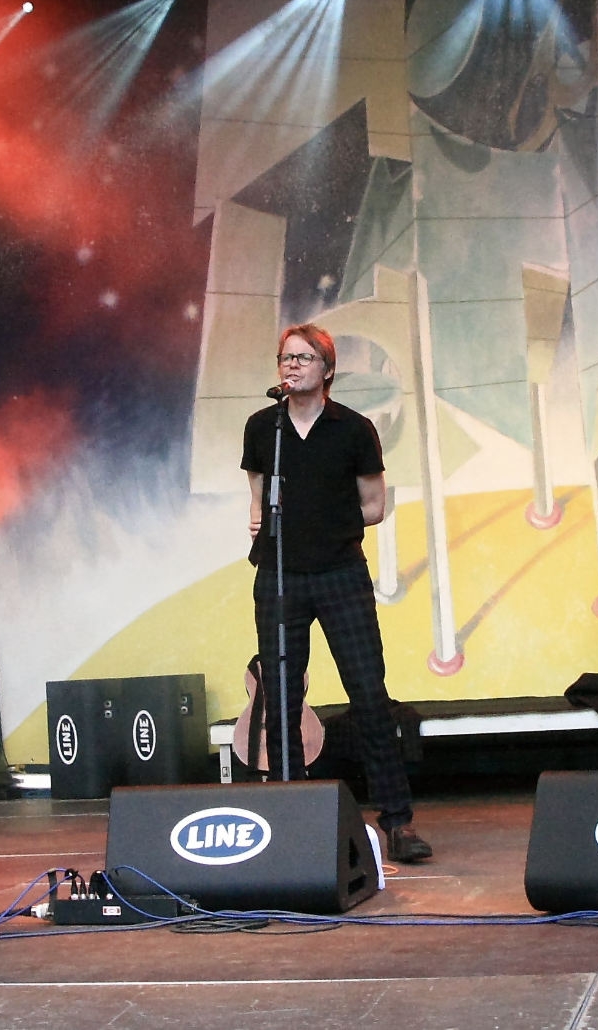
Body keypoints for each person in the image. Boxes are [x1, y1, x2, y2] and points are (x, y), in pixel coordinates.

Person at [243, 324, 431, 864]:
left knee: (369, 695)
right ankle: (289, 820)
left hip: (340, 573)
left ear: (327, 369)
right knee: (280, 698)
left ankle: (397, 821)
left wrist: (324, 521)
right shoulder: (264, 428)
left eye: (304, 358)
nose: (291, 365)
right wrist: (263, 525)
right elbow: (256, 499)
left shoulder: (354, 429)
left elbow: (374, 504)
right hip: (279, 575)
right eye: (285, 357)